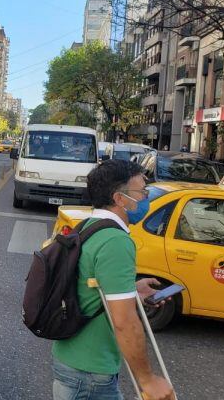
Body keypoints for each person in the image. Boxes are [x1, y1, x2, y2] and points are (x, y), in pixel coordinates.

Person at [52, 159, 175, 400]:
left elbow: (87, 283)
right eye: (142, 192)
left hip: (71, 359)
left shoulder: (88, 226)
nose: (146, 198)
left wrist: (131, 290)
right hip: (90, 375)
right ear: (120, 199)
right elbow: (124, 321)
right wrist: (147, 380)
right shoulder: (116, 241)